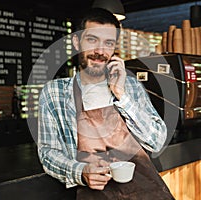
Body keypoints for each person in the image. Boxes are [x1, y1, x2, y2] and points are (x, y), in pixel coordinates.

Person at [38, 8, 174, 200]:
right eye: (92, 40)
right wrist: (80, 172)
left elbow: (157, 142)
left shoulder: (131, 86)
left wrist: (122, 96)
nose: (100, 52)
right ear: (77, 42)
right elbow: (48, 152)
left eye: (108, 43)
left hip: (145, 192)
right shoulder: (54, 93)